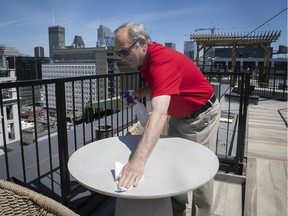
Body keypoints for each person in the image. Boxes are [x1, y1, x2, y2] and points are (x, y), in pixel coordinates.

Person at [114, 23, 221, 216]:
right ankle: (177, 210)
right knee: (174, 164)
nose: (122, 57)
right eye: (118, 53)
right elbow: (158, 84)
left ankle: (203, 213)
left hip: (201, 117)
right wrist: (141, 92)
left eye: (125, 51)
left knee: (200, 170)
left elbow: (160, 112)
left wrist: (137, 162)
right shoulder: (145, 61)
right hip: (180, 117)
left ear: (143, 43)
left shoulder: (161, 61)